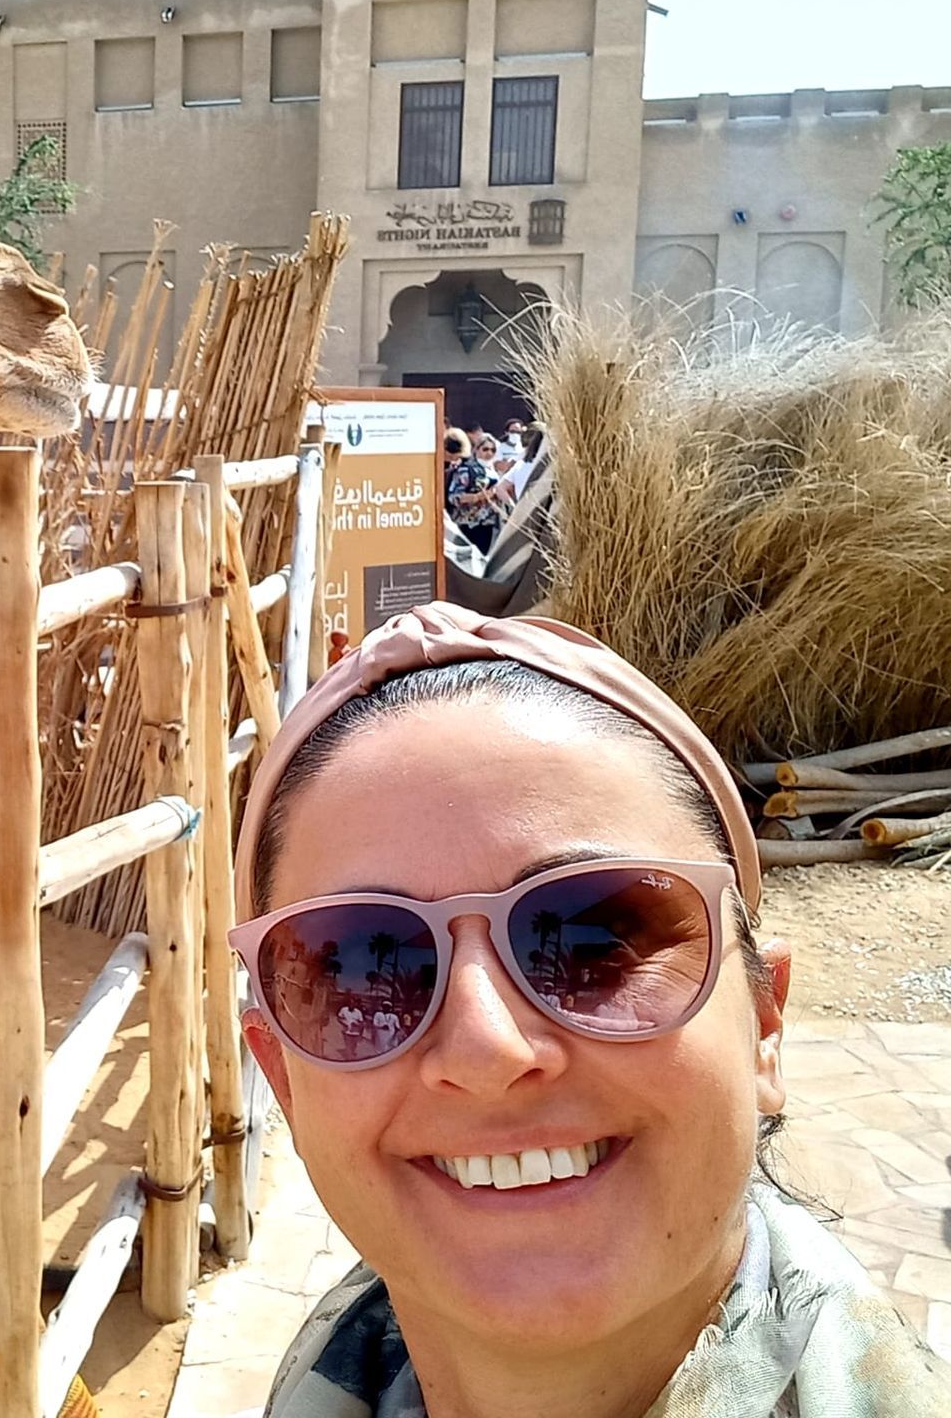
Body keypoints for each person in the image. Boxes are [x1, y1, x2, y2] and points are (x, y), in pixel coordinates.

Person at [230, 603, 949, 1417]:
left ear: (763, 1027)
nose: (485, 1049)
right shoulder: (328, 1372)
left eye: (592, 940)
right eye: (360, 964)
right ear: (283, 1081)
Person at [443, 428, 501, 553]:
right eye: (485, 449)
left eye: (493, 450)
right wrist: (478, 497)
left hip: (487, 523)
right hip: (468, 524)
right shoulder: (466, 469)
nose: (489, 453)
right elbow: (454, 496)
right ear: (476, 450)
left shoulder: (493, 471)